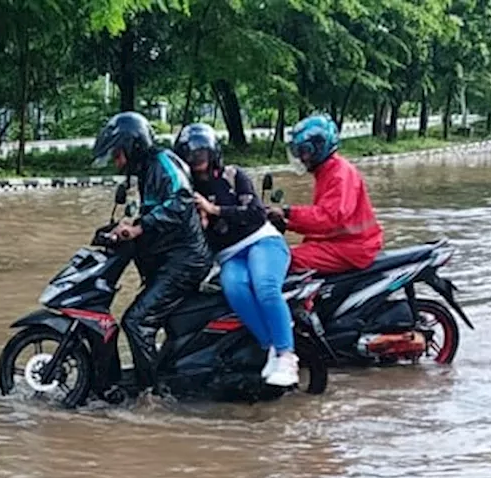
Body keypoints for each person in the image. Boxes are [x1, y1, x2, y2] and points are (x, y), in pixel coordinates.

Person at [92, 111, 212, 393]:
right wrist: (127, 225)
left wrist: (139, 227)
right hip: (171, 258)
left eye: (118, 154)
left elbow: (180, 201)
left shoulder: (163, 162)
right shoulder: (147, 169)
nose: (116, 161)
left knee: (136, 322)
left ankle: (150, 396)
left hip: (185, 260)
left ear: (133, 146)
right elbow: (156, 210)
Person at [174, 123, 298, 387]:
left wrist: (214, 209)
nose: (197, 163)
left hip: (261, 241)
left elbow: (256, 213)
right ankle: (270, 349)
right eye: (191, 157)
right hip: (230, 256)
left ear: (213, 153)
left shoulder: (233, 176)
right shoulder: (186, 191)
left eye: (201, 155)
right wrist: (201, 225)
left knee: (264, 285)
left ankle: (287, 354)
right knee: (236, 291)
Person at [268, 114, 384, 274]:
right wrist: (287, 223)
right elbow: (320, 221)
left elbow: (329, 218)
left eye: (305, 151)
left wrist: (289, 212)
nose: (301, 158)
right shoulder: (326, 171)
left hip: (353, 248)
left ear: (319, 148)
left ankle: (306, 299)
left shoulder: (340, 174)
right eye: (298, 152)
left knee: (290, 260)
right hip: (338, 242)